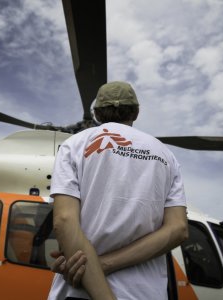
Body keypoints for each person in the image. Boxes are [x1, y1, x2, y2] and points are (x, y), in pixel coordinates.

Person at [48, 81, 188, 300]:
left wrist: (95, 266)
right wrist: (105, 264)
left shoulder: (74, 145)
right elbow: (178, 228)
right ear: (136, 112)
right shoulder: (166, 156)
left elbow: (64, 220)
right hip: (144, 294)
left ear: (96, 113)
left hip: (79, 291)